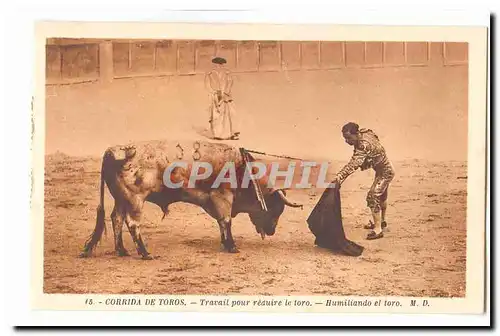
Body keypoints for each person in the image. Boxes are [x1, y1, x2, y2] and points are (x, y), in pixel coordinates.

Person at [331, 122, 395, 240]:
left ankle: (377, 229)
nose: (347, 141)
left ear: (356, 134)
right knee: (381, 196)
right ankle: (382, 221)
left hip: (385, 173)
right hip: (385, 169)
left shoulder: (363, 146)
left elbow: (353, 164)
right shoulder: (366, 132)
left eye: (349, 138)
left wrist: (340, 176)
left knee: (373, 196)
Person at [204, 57, 240, 140]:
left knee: (227, 115)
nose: (218, 66)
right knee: (216, 115)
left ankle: (229, 134)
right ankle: (217, 134)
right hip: (215, 95)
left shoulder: (227, 73)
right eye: (216, 64)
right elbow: (207, 85)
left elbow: (230, 82)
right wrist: (214, 92)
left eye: (220, 64)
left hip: (225, 96)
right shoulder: (210, 74)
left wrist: (225, 92)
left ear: (222, 65)